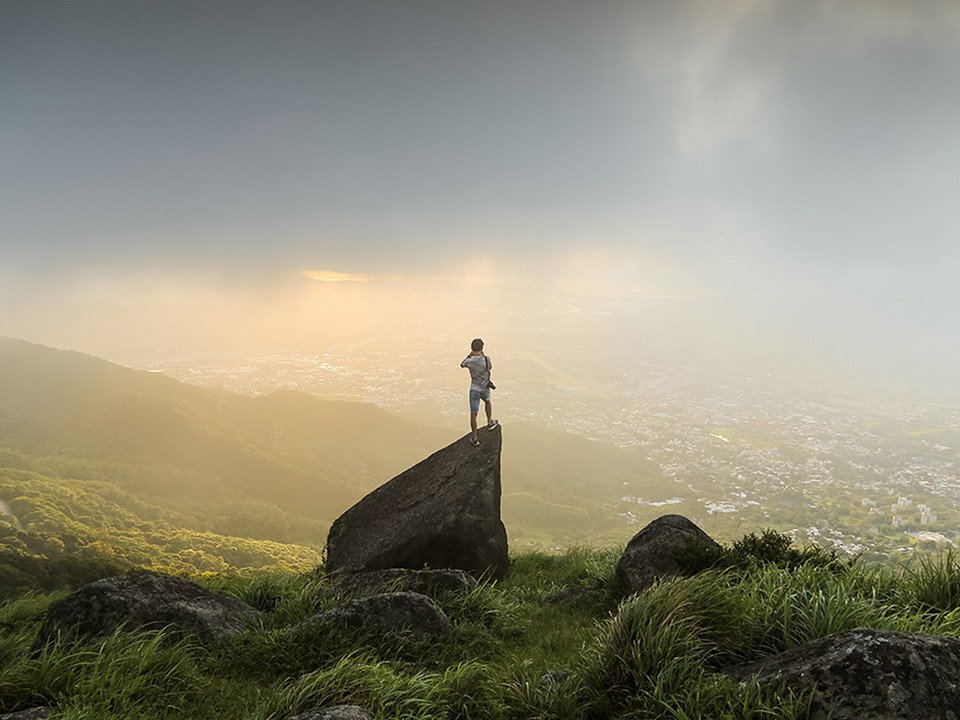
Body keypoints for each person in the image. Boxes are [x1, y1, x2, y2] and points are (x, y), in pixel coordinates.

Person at [460, 338, 498, 446]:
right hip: (485, 387)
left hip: (474, 389)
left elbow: (462, 364)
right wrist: (483, 355)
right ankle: (490, 422)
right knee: (488, 401)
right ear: (482, 348)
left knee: (473, 413)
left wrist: (469, 355)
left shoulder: (469, 361)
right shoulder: (486, 359)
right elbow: (490, 367)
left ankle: (474, 437)